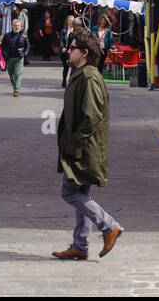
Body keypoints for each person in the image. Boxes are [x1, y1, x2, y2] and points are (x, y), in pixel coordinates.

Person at [52, 30, 122, 260]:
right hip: (83, 146)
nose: (67, 51)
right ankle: (80, 245)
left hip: (84, 148)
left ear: (83, 53)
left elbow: (91, 117)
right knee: (81, 193)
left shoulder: (89, 78)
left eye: (71, 48)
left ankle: (109, 226)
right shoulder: (81, 74)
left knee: (68, 192)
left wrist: (75, 145)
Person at [1, 19, 29, 97]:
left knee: (18, 73)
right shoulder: (7, 35)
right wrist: (4, 55)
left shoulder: (24, 35)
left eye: (18, 26)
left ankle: (17, 90)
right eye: (15, 25)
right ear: (12, 26)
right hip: (9, 58)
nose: (17, 27)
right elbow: (3, 46)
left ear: (20, 26)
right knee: (11, 75)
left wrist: (24, 53)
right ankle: (15, 88)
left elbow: (27, 45)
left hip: (19, 57)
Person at [59, 16, 77, 87]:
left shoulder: (75, 31)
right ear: (67, 21)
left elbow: (74, 41)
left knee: (73, 67)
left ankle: (71, 82)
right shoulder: (64, 30)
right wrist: (62, 47)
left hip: (71, 51)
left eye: (73, 20)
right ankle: (64, 81)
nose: (71, 22)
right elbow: (61, 40)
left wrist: (69, 48)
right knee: (65, 67)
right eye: (70, 20)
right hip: (64, 51)